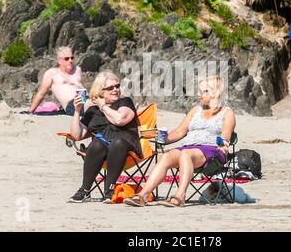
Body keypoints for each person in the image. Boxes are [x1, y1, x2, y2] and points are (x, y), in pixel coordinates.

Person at [124, 76, 236, 207]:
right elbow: (179, 132)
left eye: (202, 91)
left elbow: (226, 137)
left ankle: (180, 196)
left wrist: (223, 144)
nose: (198, 94)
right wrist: (162, 138)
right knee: (166, 156)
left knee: (186, 154)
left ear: (214, 92)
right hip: (188, 148)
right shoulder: (195, 110)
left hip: (212, 151)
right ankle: (143, 195)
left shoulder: (227, 113)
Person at [68, 71, 142, 203]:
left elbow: (119, 120)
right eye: (110, 88)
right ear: (100, 92)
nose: (116, 90)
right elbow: (76, 135)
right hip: (101, 149)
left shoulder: (125, 102)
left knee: (117, 142)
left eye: (117, 86)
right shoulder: (92, 111)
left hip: (126, 146)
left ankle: (110, 190)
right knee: (97, 144)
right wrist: (77, 111)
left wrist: (102, 106)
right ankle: (84, 190)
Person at [27, 46, 91, 116]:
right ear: (59, 61)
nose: (70, 60)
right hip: (72, 105)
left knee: (99, 101)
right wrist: (31, 110)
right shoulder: (52, 73)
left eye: (72, 58)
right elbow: (41, 93)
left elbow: (81, 88)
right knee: (95, 104)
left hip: (85, 99)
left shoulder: (77, 70)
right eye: (67, 58)